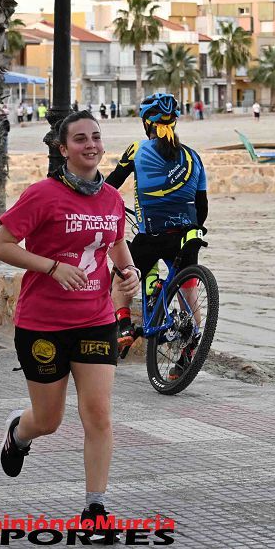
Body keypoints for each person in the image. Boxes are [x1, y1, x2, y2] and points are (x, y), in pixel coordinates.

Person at [0, 110, 140, 542]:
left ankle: (95, 506)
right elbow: (0, 245)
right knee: (50, 420)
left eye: (95, 137)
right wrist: (52, 267)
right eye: (79, 139)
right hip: (43, 324)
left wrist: (128, 272)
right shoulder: (42, 195)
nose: (90, 145)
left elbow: (114, 244)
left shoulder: (112, 198)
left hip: (95, 320)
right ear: (63, 149)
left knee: (98, 412)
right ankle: (18, 434)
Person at [106, 93, 209, 379]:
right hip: (187, 235)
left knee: (121, 275)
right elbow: (202, 208)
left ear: (146, 123)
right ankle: (189, 351)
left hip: (151, 234)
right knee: (188, 288)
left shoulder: (137, 150)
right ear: (173, 123)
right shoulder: (193, 156)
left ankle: (124, 325)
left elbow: (111, 186)